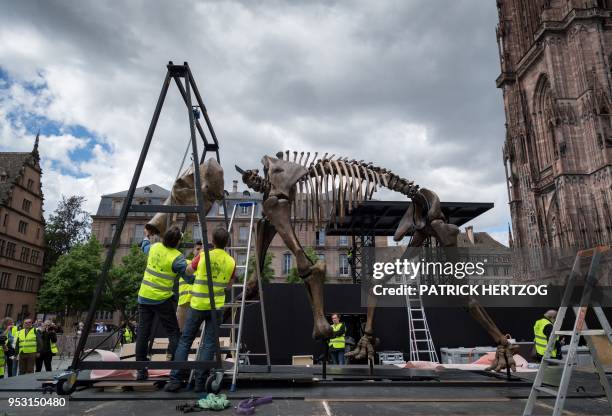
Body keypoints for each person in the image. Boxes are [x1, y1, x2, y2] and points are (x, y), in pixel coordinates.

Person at [165, 227, 236, 392]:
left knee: (185, 341)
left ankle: (175, 380)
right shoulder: (231, 262)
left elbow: (188, 270)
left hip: (197, 305)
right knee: (209, 344)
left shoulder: (203, 256)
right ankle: (199, 383)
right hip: (216, 307)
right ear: (227, 243)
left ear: (212, 240)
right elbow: (229, 286)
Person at [135, 226, 194, 381]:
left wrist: (147, 236)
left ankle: (141, 371)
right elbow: (189, 277)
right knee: (174, 333)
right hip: (161, 299)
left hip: (144, 297)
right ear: (178, 242)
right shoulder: (177, 257)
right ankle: (177, 368)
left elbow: (145, 246)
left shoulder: (154, 248)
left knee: (143, 333)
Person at [177, 240, 202, 331]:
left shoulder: (203, 267)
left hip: (196, 304)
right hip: (183, 303)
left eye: (201, 250)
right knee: (179, 330)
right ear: (193, 250)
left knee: (196, 331)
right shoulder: (186, 263)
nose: (199, 251)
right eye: (198, 249)